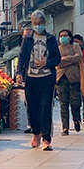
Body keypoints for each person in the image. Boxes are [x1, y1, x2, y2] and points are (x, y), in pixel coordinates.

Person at [16, 10, 61, 151]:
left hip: (46, 78)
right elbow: (22, 56)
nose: (38, 26)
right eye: (35, 23)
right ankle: (36, 133)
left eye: (40, 23)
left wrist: (46, 63)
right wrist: (19, 72)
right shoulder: (28, 39)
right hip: (31, 78)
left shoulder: (51, 39)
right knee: (32, 108)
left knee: (45, 108)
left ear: (44, 23)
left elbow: (57, 58)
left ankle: (46, 139)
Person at [55, 29, 82, 135]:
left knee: (75, 102)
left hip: (74, 78)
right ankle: (65, 127)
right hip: (61, 78)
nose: (63, 38)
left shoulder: (75, 46)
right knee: (63, 103)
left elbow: (79, 57)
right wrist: (71, 60)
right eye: (61, 36)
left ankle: (76, 120)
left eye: (65, 36)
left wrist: (65, 59)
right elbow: (57, 62)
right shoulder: (57, 49)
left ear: (70, 37)